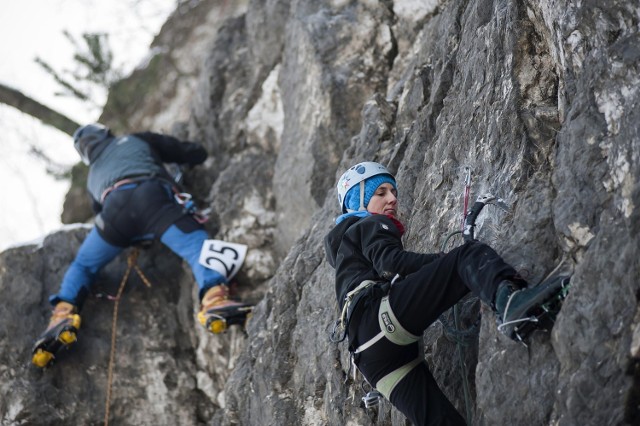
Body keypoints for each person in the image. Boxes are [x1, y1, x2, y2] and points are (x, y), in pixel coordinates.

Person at [324, 161, 568, 425]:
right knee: (468, 255)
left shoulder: (346, 250)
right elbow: (391, 262)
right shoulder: (370, 225)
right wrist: (449, 262)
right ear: (357, 201)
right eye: (380, 193)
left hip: (373, 361)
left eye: (393, 192)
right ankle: (510, 305)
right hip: (379, 321)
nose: (392, 198)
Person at [32, 123, 251, 368]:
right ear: (106, 133)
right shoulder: (136, 139)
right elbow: (186, 151)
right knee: (194, 244)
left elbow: (98, 210)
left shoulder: (93, 177)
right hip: (151, 199)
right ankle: (214, 299)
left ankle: (62, 314)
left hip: (114, 215)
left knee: (83, 265)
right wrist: (195, 154)